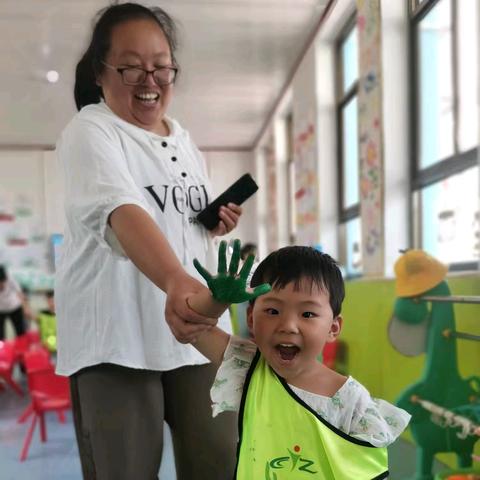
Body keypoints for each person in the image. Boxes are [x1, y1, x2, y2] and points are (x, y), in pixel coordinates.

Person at [55, 3, 242, 479]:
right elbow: (122, 211)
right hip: (118, 338)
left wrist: (211, 223)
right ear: (100, 72)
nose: (150, 79)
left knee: (220, 462)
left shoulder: (184, 140)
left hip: (197, 329)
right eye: (131, 66)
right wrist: (176, 278)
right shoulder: (90, 130)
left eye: (161, 67)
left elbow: (177, 222)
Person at [189, 240, 411, 479]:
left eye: (307, 314)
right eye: (273, 311)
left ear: (333, 328)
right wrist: (216, 301)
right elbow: (191, 327)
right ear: (251, 318)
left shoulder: (352, 403)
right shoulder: (247, 366)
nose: (288, 326)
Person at [0, 265, 27, 341]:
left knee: (20, 331)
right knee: (0, 335)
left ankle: (21, 348)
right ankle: (2, 350)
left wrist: (25, 308)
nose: (1, 285)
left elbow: (20, 294)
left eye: (2, 282)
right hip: (1, 310)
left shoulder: (11, 279)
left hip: (15, 307)